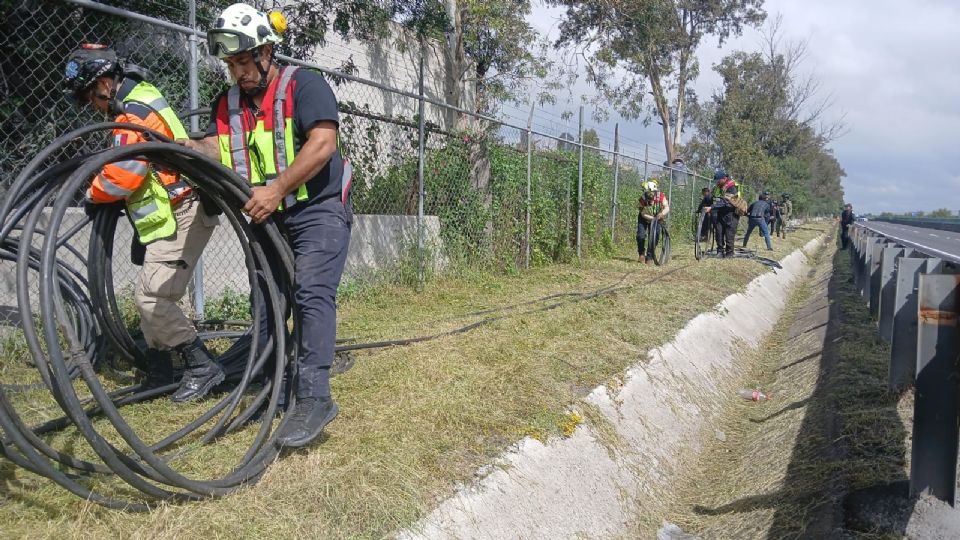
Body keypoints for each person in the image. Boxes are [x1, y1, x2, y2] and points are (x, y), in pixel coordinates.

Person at [186, 3, 351, 448]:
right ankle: (276, 384)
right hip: (267, 212)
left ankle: (314, 396)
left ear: (266, 51)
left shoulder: (305, 84)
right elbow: (221, 149)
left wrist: (277, 188)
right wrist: (178, 146)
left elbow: (322, 144)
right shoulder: (229, 103)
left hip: (317, 208)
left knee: (311, 291)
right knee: (267, 299)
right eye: (231, 64)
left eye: (244, 61)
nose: (239, 72)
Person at [63, 44, 222, 402]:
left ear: (104, 82)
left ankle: (202, 365)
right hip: (171, 213)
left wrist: (91, 193)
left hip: (184, 210)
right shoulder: (137, 98)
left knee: (152, 298)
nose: (92, 104)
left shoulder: (131, 115)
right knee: (152, 293)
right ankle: (161, 370)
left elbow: (123, 175)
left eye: (90, 95)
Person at [706, 170, 741, 257]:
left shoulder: (732, 186)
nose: (717, 182)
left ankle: (729, 253)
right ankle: (720, 251)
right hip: (722, 212)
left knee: (729, 234)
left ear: (724, 178)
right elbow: (715, 198)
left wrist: (711, 208)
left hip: (731, 214)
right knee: (719, 232)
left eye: (718, 180)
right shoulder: (722, 186)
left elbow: (726, 201)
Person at [636, 180, 670, 263]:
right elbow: (643, 214)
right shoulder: (642, 199)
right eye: (647, 194)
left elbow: (667, 207)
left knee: (655, 236)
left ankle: (650, 256)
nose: (649, 196)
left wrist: (661, 214)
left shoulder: (661, 196)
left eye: (650, 194)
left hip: (657, 217)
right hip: (644, 218)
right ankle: (641, 254)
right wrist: (653, 218)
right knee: (640, 236)